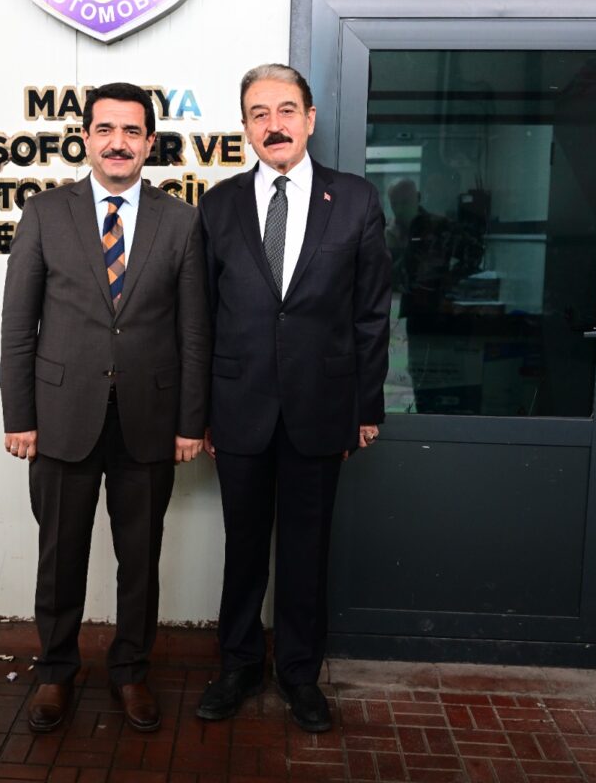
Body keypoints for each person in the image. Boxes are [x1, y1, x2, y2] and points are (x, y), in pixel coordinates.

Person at [0, 82, 210, 734]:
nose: (118, 142)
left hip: (149, 420)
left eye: (131, 131)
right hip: (62, 418)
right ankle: (55, 672)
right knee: (59, 557)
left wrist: (190, 422)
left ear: (150, 142)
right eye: (105, 130)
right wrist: (19, 416)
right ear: (86, 138)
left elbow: (194, 331)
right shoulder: (44, 213)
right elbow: (18, 325)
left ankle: (130, 672)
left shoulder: (181, 221)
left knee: (139, 561)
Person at [195, 64, 391, 733]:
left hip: (322, 407)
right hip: (238, 407)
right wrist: (200, 415)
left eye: (285, 110)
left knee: (306, 552)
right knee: (243, 547)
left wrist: (366, 407)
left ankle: (300, 675)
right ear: (244, 126)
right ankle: (239, 666)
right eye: (258, 113)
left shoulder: (355, 199)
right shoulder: (217, 205)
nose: (272, 125)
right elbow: (201, 318)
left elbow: (371, 313)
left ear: (309, 119)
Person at [386, 178, 485, 413]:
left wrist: (449, 280)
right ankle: (425, 414)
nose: (400, 208)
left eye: (405, 202)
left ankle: (450, 418)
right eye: (395, 203)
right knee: (420, 371)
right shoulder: (391, 232)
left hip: (443, 311)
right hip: (416, 312)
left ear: (417, 199)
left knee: (447, 371)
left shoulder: (438, 227)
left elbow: (474, 252)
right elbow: (391, 275)